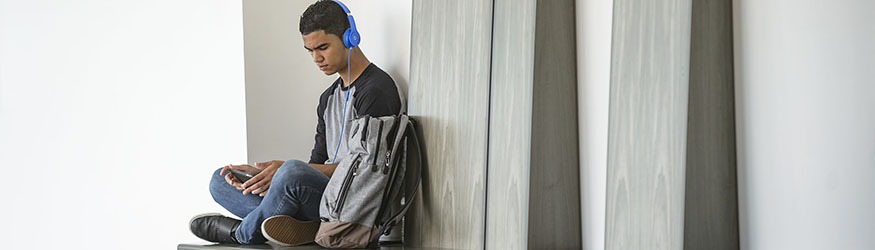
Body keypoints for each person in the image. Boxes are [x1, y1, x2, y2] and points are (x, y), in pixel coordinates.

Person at [188, 0, 402, 246]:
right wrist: (265, 176)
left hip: (351, 205)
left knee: (291, 171)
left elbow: (365, 173)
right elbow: (316, 163)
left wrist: (284, 172)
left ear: (349, 38)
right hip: (322, 199)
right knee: (221, 180)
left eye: (322, 47)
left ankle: (241, 233)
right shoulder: (328, 98)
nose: (316, 58)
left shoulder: (376, 91)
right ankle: (299, 224)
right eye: (309, 50)